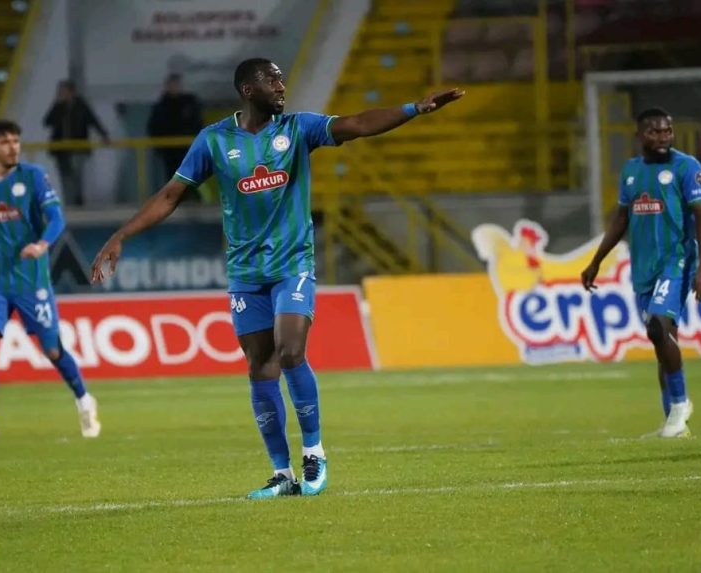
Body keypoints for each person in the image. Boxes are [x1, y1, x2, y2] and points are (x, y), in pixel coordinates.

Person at [90, 57, 463, 498]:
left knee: (290, 351)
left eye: (282, 78)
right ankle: (282, 475)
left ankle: (315, 452)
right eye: (273, 80)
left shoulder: (298, 129)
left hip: (292, 264)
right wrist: (120, 235)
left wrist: (412, 110)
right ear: (249, 90)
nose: (282, 86)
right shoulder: (213, 141)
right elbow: (171, 195)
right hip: (246, 274)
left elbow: (358, 123)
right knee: (259, 365)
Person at [0, 119, 101, 442]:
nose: (13, 147)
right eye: (5, 142)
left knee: (52, 350)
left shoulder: (33, 177)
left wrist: (41, 245)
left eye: (16, 141)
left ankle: (83, 398)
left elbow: (57, 218)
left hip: (30, 280)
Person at [581, 107, 701, 438]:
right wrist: (596, 260)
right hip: (643, 267)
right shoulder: (631, 171)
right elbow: (622, 219)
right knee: (660, 339)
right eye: (655, 132)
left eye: (668, 130)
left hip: (676, 259)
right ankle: (673, 422)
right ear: (639, 136)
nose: (663, 136)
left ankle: (681, 405)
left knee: (658, 324)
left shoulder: (686, 167)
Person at [43, 80, 110, 207]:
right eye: (60, 92)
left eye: (64, 92)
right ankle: (70, 203)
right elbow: (47, 122)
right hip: (61, 150)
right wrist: (57, 106)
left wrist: (104, 135)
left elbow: (93, 120)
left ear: (71, 92)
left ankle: (78, 201)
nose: (61, 94)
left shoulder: (81, 106)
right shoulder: (58, 107)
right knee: (65, 177)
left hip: (78, 147)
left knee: (76, 175)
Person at [147, 73, 204, 201]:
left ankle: (193, 198)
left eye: (176, 85)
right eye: (172, 85)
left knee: (190, 176)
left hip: (187, 147)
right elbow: (154, 127)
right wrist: (158, 147)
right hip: (169, 150)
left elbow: (197, 123)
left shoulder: (189, 103)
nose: (174, 88)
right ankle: (176, 199)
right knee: (173, 175)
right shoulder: (162, 105)